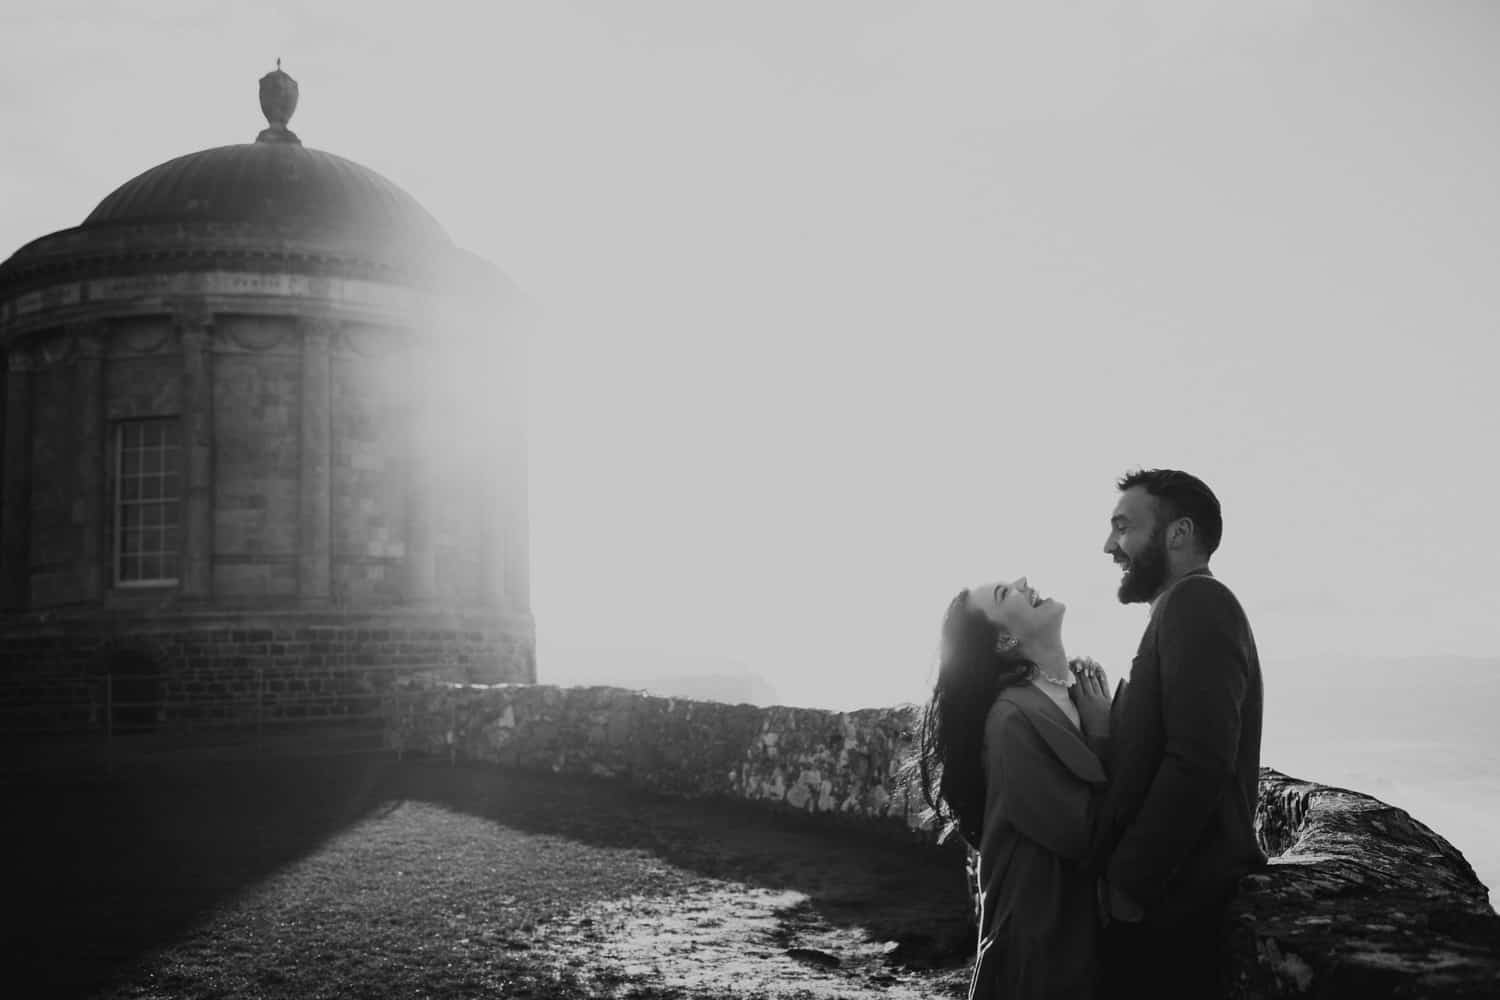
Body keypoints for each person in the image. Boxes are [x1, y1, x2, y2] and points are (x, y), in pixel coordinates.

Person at [1089, 468, 1267, 999]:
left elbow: (1199, 760)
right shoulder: (1175, 609)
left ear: (1178, 533)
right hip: (1167, 898)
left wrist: (1129, 883)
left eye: (1123, 527)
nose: (1108, 546)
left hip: (1177, 903)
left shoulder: (1199, 604)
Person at [916, 576, 1115, 1000]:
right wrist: (1102, 736)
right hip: (1043, 947)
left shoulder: (1072, 695)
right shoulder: (1010, 722)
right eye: (1006, 593)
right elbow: (1085, 832)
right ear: (1005, 639)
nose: (1024, 581)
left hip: (1080, 934)